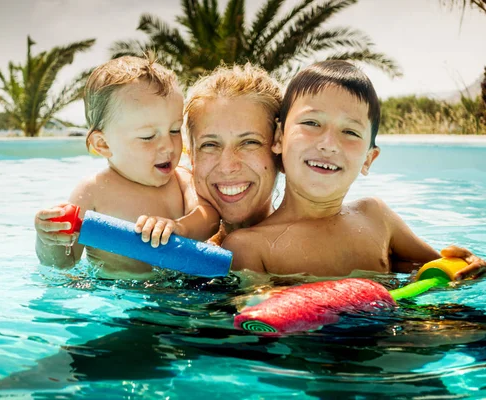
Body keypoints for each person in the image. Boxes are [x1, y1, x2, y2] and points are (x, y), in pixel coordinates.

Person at [222, 60, 485, 279]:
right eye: (312, 122)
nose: (328, 144)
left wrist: (468, 265)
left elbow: (441, 268)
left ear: (369, 159)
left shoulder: (377, 217)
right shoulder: (250, 246)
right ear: (279, 138)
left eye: (349, 131)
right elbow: (254, 320)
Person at [34, 55, 219, 279]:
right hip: (118, 295)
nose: (168, 146)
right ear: (103, 144)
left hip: (180, 291)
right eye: (148, 136)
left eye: (174, 130)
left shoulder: (181, 180)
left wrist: (180, 227)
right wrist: (49, 239)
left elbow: (209, 217)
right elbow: (64, 262)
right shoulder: (93, 192)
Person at [139, 63, 285, 247]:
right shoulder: (165, 238)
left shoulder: (303, 252)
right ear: (191, 155)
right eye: (210, 145)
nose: (227, 166)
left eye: (249, 142)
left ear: (279, 148)